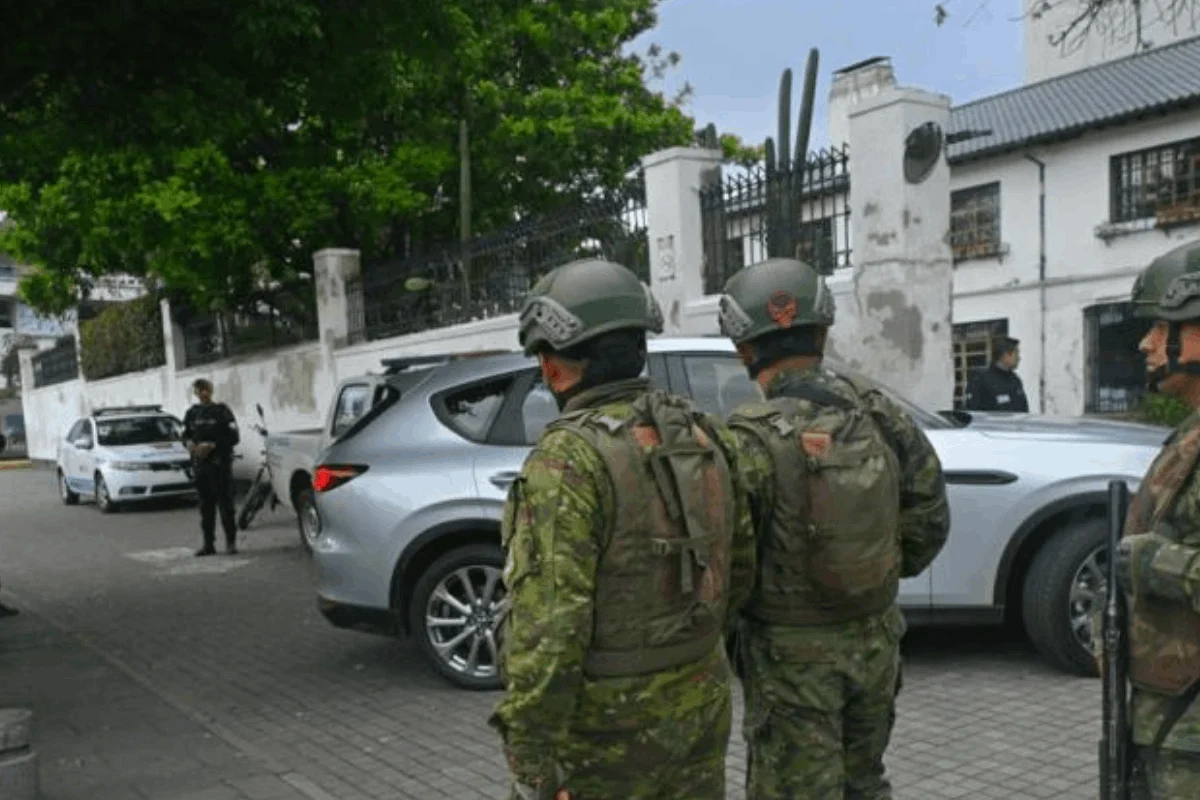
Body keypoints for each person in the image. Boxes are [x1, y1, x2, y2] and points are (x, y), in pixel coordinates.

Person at [487, 258, 757, 800]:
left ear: (554, 366)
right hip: (699, 705)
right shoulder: (705, 435)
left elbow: (548, 632)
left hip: (606, 737)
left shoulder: (567, 461)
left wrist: (533, 767)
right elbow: (739, 570)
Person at [716, 256, 951, 799]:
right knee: (865, 781)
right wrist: (872, 573)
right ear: (822, 331)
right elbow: (930, 518)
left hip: (789, 655)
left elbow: (731, 559)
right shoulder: (879, 412)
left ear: (743, 348)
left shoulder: (747, 436)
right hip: (874, 639)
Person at [1104, 239, 1200, 799]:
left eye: (1162, 327)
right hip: (1170, 720)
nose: (1147, 343)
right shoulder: (1188, 435)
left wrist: (1153, 563)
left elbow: (1158, 558)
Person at [182, 378, 240, 556]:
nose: (203, 393)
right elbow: (185, 435)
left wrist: (213, 446)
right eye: (199, 390)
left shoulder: (222, 411)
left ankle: (230, 543)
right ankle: (209, 544)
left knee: (225, 506)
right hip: (201, 467)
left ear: (211, 390)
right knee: (205, 507)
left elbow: (234, 437)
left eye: (205, 389)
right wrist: (191, 445)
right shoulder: (192, 413)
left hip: (220, 465)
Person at [963, 336, 1029, 412]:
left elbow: (1024, 409)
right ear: (1005, 355)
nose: (1019, 358)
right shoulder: (981, 380)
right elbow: (973, 412)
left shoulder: (1015, 379)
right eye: (1016, 354)